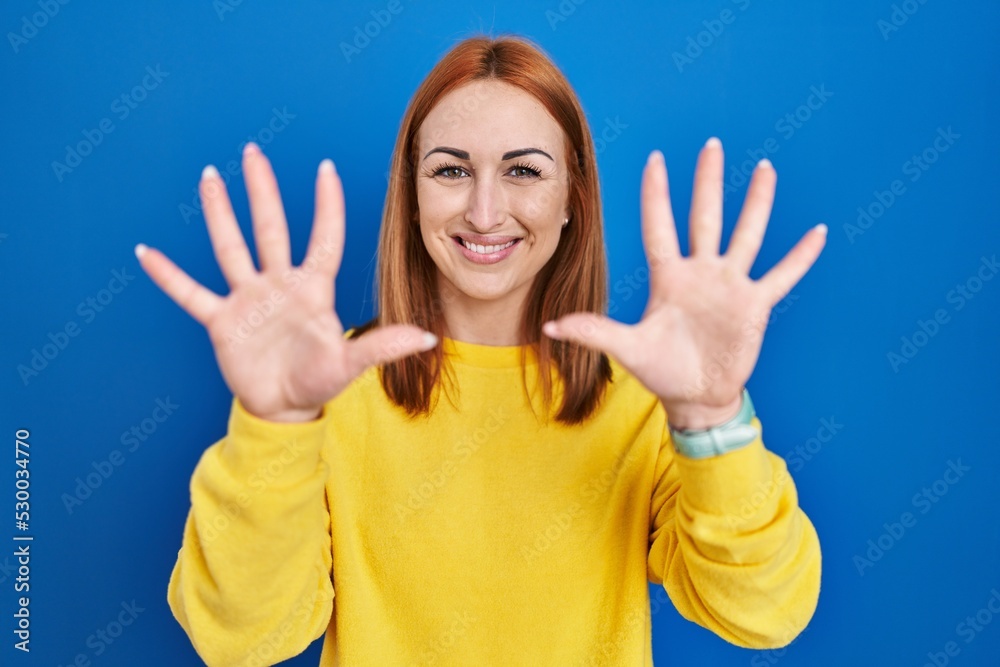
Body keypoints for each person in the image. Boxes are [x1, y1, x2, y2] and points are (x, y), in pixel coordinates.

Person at [137, 34, 825, 666]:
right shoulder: (326, 389)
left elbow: (765, 611)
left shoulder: (649, 399)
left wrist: (711, 418)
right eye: (451, 171)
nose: (486, 211)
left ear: (572, 199)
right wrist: (276, 427)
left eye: (524, 171)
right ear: (411, 195)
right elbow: (242, 637)